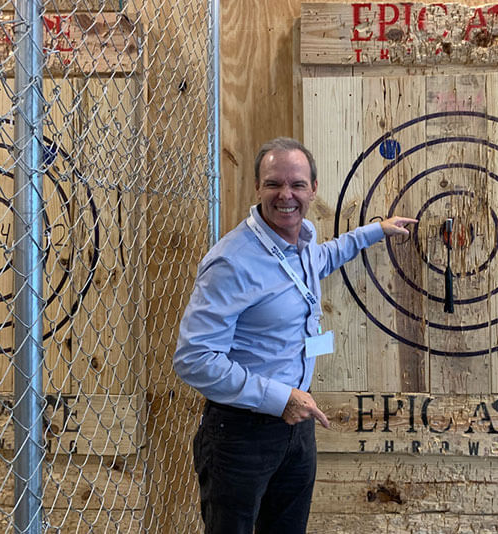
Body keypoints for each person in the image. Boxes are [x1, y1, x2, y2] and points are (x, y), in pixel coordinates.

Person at [173, 137, 415, 533]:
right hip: (241, 434)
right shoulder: (231, 262)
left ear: (313, 190)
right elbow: (193, 360)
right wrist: (279, 398)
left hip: (297, 427)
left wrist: (375, 231)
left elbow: (324, 258)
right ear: (257, 188)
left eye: (297, 185)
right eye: (274, 184)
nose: (286, 195)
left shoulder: (301, 239)